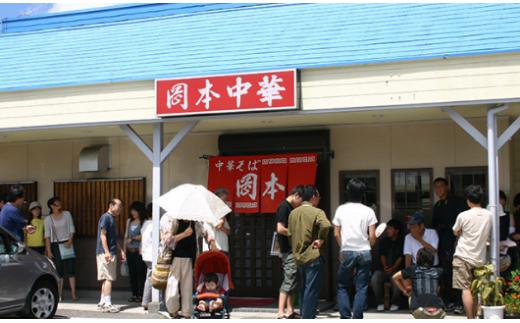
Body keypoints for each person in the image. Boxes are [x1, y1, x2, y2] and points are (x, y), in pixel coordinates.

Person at [333, 178, 377, 319]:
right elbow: (372, 236)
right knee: (362, 287)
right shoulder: (368, 211)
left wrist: (343, 248)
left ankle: (345, 317)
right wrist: (370, 246)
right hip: (364, 251)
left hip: (347, 251)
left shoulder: (341, 209)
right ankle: (357, 317)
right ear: (363, 194)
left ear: (347, 192)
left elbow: (336, 233)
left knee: (342, 286)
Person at [288, 185, 331, 319]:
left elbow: (289, 233)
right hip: (313, 255)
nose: (319, 199)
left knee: (303, 289)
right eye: (318, 196)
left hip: (298, 256)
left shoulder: (293, 213)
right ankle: (307, 317)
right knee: (311, 290)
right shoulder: (317, 212)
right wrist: (321, 239)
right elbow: (326, 225)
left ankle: (304, 315)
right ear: (313, 197)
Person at [161, 216, 216, 319]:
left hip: (190, 259)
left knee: (187, 288)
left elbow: (206, 231)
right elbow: (166, 240)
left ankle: (187, 312)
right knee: (172, 287)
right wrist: (184, 234)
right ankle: (173, 310)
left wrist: (212, 241)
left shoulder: (195, 221)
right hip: (174, 258)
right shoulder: (173, 220)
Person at [452, 185, 492, 319]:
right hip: (480, 257)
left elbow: (455, 231)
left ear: (468, 200)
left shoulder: (463, 215)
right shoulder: (489, 215)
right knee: (476, 289)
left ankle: (470, 318)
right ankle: (476, 316)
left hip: (463, 255)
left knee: (466, 289)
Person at [432, 177, 467, 313]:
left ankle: (459, 302)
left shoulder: (457, 202)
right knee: (445, 273)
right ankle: (449, 300)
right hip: (442, 243)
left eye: (441, 186)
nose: (438, 189)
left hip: (456, 242)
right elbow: (434, 225)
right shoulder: (437, 205)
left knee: (457, 272)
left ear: (447, 187)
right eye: (436, 187)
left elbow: (461, 223)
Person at [393, 248, 446, 319]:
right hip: (439, 311)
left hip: (420, 310)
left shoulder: (413, 269)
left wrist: (404, 291)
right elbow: (438, 289)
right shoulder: (439, 271)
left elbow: (395, 277)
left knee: (411, 295)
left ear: (418, 258)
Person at [275, 185, 304, 319]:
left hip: (291, 249)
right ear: (296, 195)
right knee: (289, 279)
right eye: (301, 200)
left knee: (293, 280)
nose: (300, 204)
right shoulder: (284, 207)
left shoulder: (290, 207)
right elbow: (280, 228)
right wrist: (295, 233)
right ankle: (281, 311)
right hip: (287, 250)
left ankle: (290, 310)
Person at [44, 197, 78, 301]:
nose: (59, 205)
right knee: (59, 271)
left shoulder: (67, 214)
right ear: (51, 206)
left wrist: (70, 240)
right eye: (57, 204)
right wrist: (49, 251)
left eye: (60, 203)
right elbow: (47, 236)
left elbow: (72, 228)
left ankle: (73, 293)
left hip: (68, 243)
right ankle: (59, 294)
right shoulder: (48, 219)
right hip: (55, 245)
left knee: (71, 269)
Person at [96, 198, 126, 313]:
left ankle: (102, 302)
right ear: (111, 205)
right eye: (119, 206)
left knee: (105, 278)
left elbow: (112, 238)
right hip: (106, 252)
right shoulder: (106, 217)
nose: (121, 209)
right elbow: (102, 235)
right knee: (109, 278)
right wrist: (107, 252)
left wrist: (120, 250)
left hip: (107, 251)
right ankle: (108, 304)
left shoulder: (111, 218)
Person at [371, 219, 404, 312]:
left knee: (397, 279)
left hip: (397, 269)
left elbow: (401, 257)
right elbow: (382, 255)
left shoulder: (402, 241)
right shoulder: (383, 241)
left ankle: (395, 302)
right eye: (387, 229)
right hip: (384, 270)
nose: (387, 231)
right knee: (375, 278)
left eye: (390, 229)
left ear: (396, 231)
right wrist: (385, 267)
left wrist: (393, 268)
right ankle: (380, 302)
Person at [124, 201, 147, 303]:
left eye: (135, 210)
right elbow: (125, 236)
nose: (133, 212)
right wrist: (124, 251)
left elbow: (144, 235)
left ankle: (141, 295)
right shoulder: (129, 221)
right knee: (132, 274)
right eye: (132, 210)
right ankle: (134, 294)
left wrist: (132, 238)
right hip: (129, 251)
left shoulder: (144, 222)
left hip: (139, 252)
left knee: (140, 274)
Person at [202, 188, 231, 254]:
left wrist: (221, 227)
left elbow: (228, 231)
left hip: (223, 247)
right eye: (224, 200)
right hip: (213, 248)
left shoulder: (222, 214)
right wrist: (223, 212)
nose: (226, 202)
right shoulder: (210, 212)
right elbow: (218, 225)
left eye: (226, 200)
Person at [140, 203, 153, 311]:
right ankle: (146, 301)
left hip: (145, 254)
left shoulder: (145, 223)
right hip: (152, 255)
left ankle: (146, 301)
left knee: (149, 277)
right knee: (151, 278)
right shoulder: (154, 224)